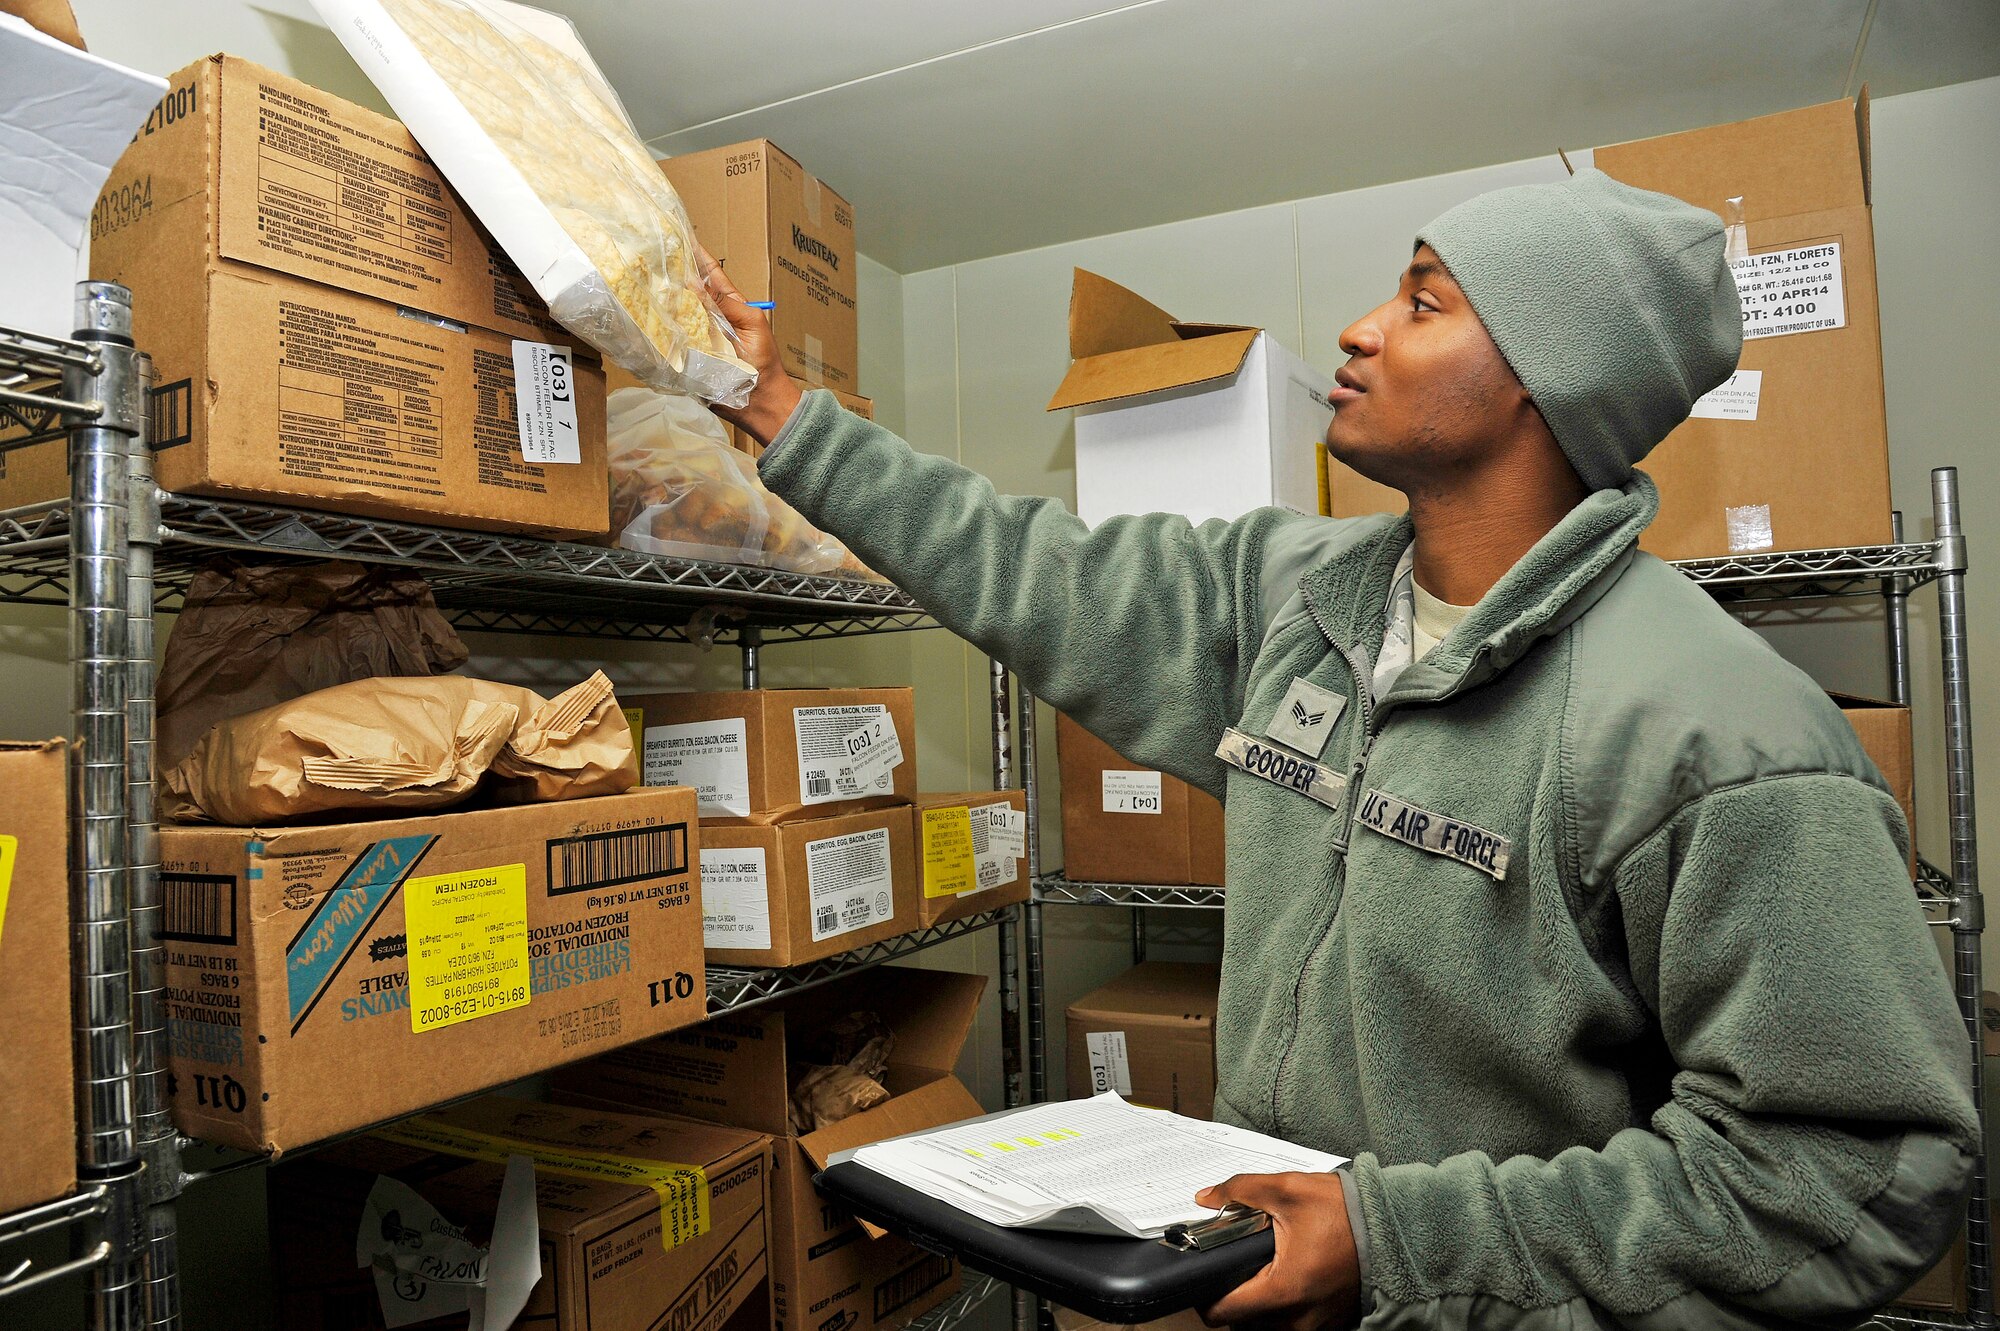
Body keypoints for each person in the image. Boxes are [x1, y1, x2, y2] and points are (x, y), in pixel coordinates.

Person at [700, 168, 1976, 1330]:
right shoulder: (1294, 597)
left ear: (1545, 376)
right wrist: (775, 406)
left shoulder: (1717, 733)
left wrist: (1402, 1243)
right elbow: (1035, 567)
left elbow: (1841, 1175)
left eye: (1421, 304)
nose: (1360, 329)